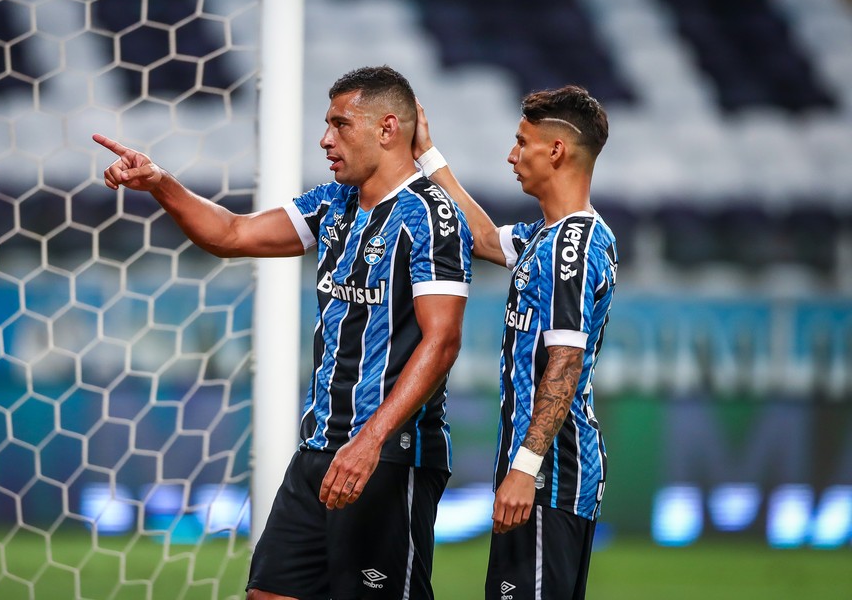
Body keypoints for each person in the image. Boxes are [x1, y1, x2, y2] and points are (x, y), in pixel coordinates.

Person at [94, 65, 473, 599]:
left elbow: (443, 341)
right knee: (268, 592)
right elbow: (231, 233)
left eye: (340, 124)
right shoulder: (334, 203)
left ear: (387, 128)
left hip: (388, 455)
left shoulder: (431, 216)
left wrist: (370, 440)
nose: (325, 140)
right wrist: (160, 183)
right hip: (320, 447)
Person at [411, 86, 616, 600]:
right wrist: (427, 155)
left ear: (556, 151)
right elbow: (481, 238)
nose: (511, 155)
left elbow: (564, 363)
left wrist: (525, 470)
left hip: (551, 475)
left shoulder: (571, 249)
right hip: (544, 472)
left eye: (522, 142)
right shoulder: (549, 237)